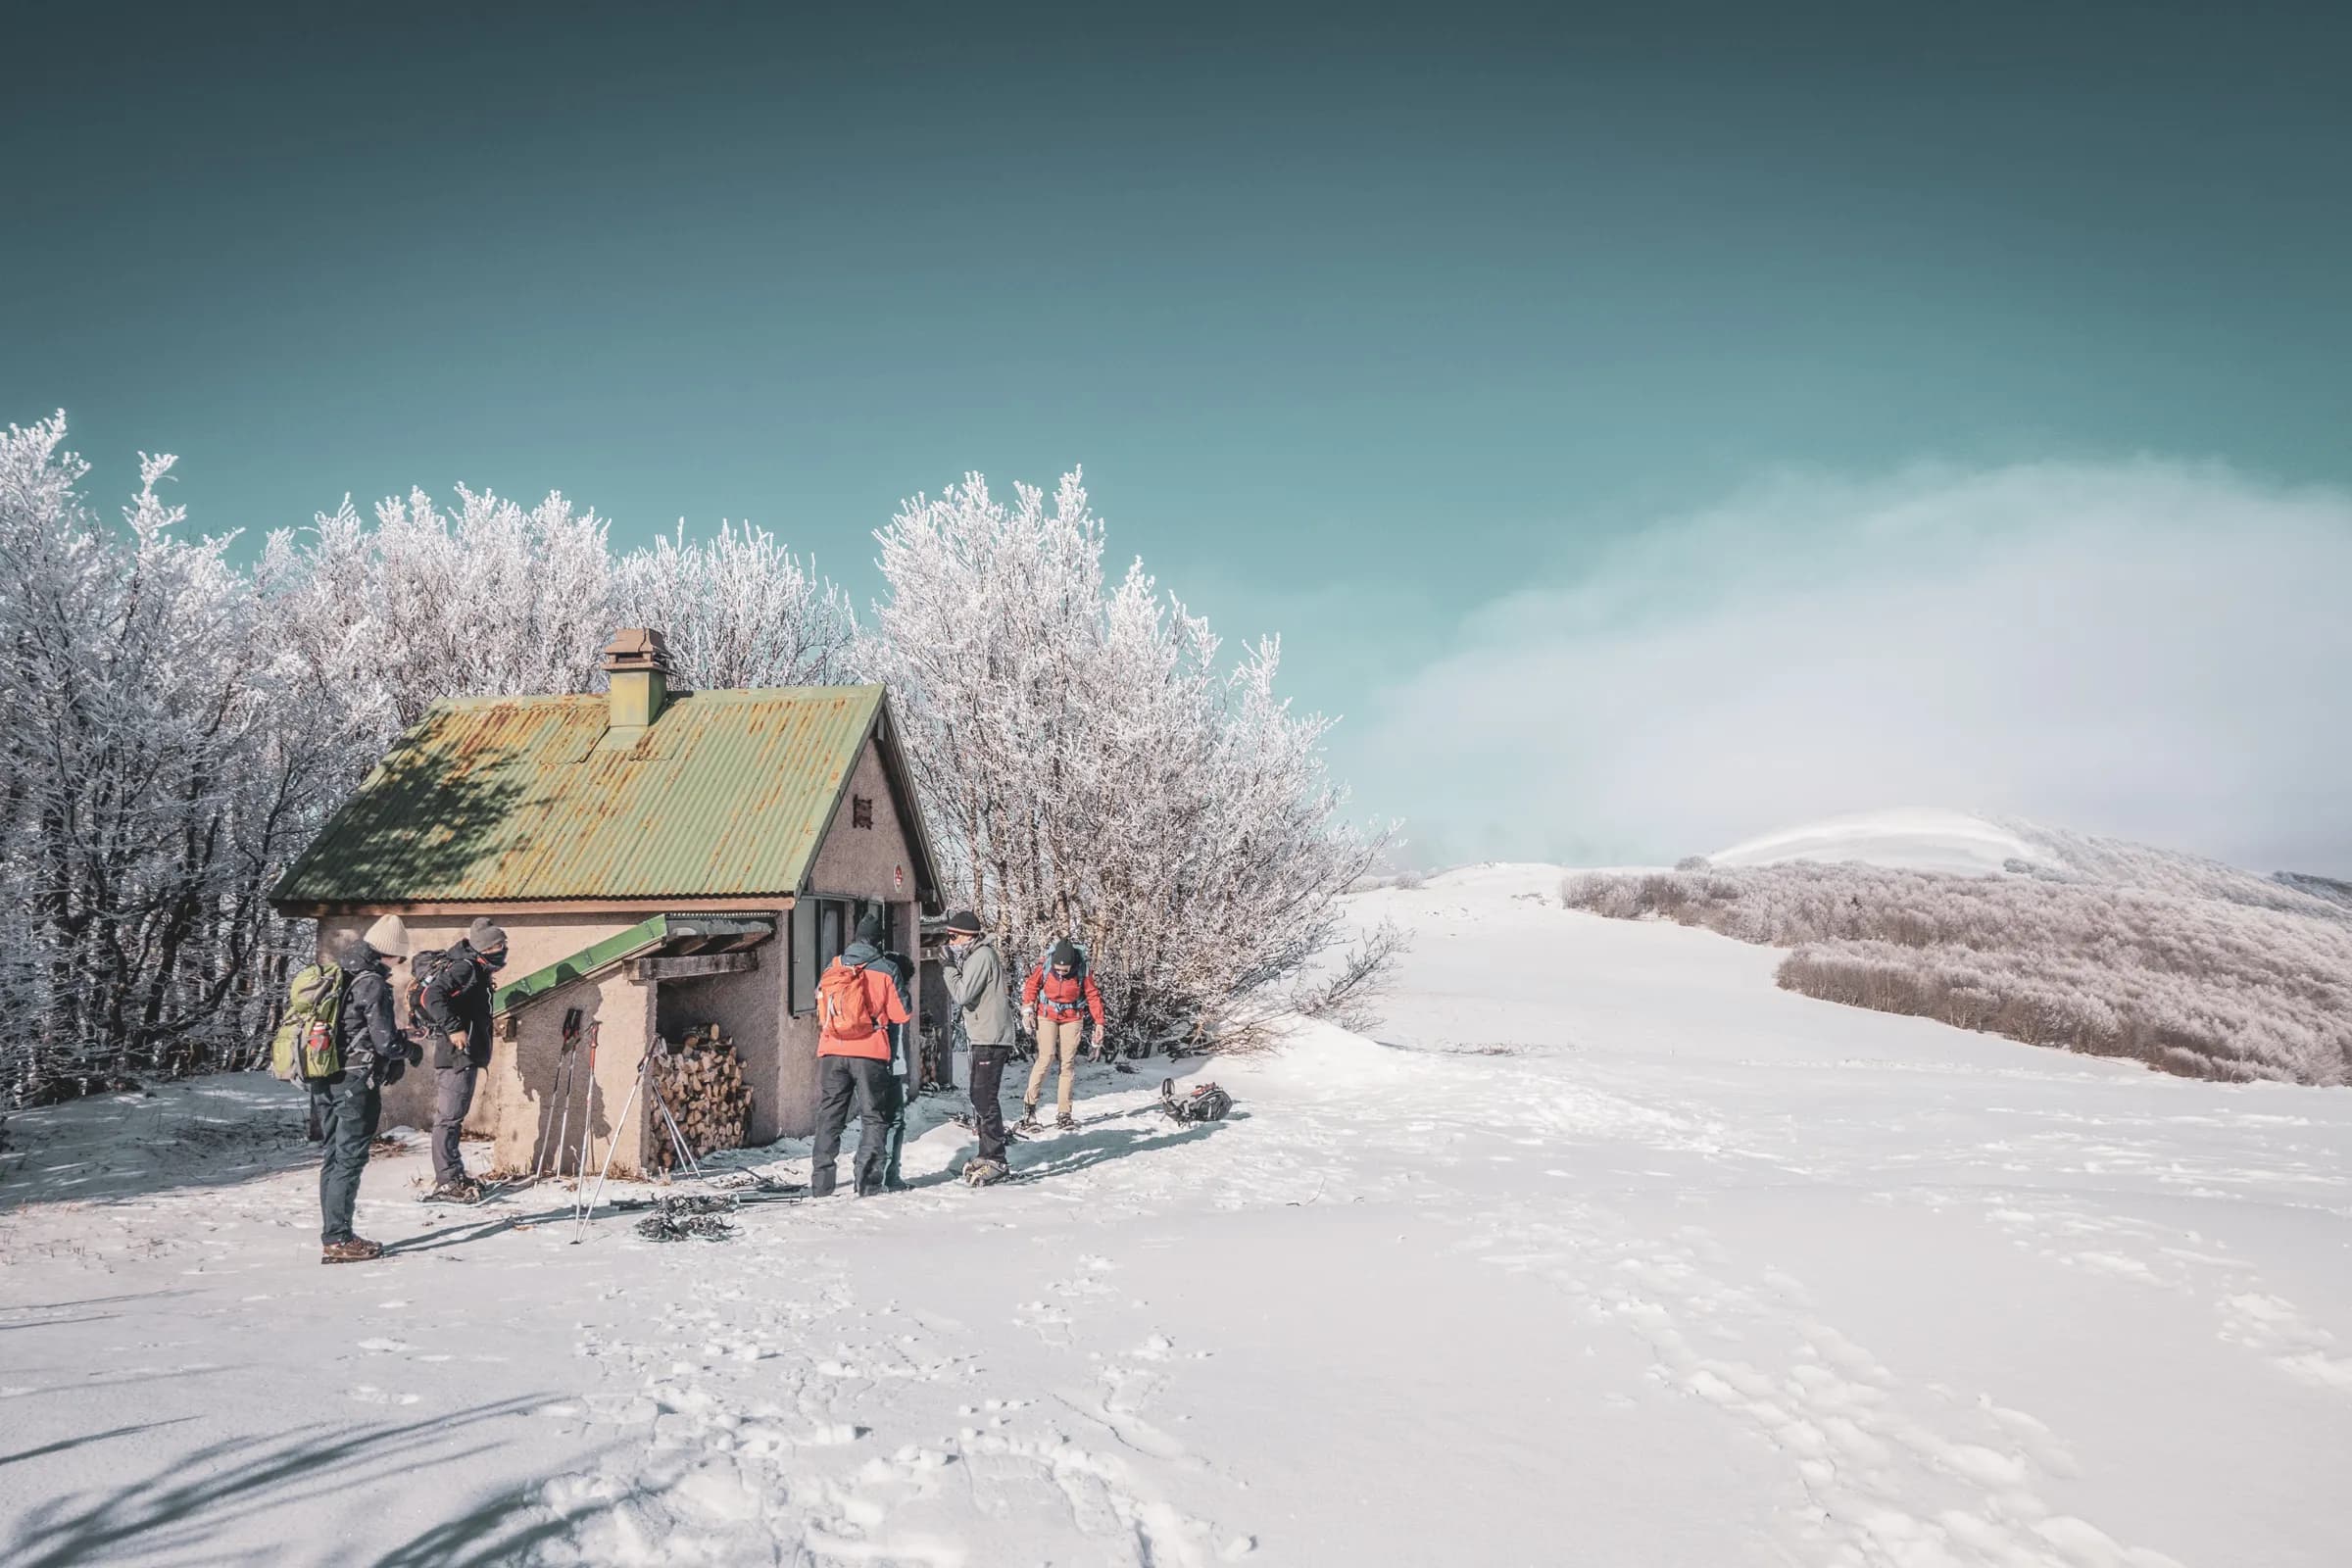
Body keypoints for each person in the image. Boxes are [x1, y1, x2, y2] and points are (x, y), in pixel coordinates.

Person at [318, 914, 422, 1263]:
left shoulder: (341, 972)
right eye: (400, 957)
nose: (400, 964)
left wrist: (399, 1038)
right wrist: (410, 1048)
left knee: (333, 1157)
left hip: (325, 1076)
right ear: (389, 953)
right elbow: (384, 1044)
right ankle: (338, 1239)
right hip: (354, 1081)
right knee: (348, 1159)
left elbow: (355, 1029)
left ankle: (334, 1233)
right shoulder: (373, 984)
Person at [810, 918, 912, 1197]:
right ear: (879, 941)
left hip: (832, 1050)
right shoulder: (886, 969)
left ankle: (821, 1184)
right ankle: (867, 1183)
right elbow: (902, 1014)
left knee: (829, 1116)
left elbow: (820, 1005)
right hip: (869, 1053)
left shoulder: (834, 966)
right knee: (873, 1117)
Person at [416, 917, 508, 1201]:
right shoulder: (465, 967)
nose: (504, 949)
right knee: (448, 1118)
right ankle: (447, 1180)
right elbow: (432, 996)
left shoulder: (476, 969)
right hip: (456, 1056)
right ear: (487, 947)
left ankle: (454, 1174)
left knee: (454, 1118)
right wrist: (454, 1028)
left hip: (464, 1055)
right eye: (499, 945)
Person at [938, 909, 1016, 1184]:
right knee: (978, 1095)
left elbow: (962, 994)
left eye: (953, 936)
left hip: (991, 1037)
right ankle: (987, 1152)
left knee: (984, 1097)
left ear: (967, 936)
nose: (951, 942)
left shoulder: (982, 956)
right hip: (983, 1034)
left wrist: (948, 968)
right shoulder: (976, 955)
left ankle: (996, 1157)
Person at [1019, 938, 1105, 1131]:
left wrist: (1099, 1023)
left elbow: (1092, 995)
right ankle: (1029, 1109)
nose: (1060, 972)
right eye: (1057, 969)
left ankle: (1064, 1113)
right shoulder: (1046, 966)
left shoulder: (1083, 970)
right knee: (1046, 1057)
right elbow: (1031, 986)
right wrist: (1027, 1010)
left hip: (1072, 1016)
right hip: (1046, 1013)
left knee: (1067, 1063)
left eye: (1064, 971)